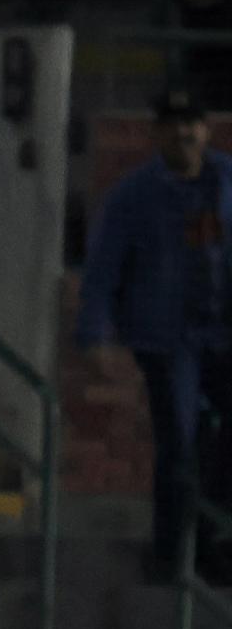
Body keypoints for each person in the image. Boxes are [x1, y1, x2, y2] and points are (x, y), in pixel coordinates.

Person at [76, 87, 232, 582]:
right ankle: (170, 552)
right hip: (166, 339)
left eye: (192, 123)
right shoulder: (134, 196)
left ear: (206, 130)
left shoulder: (227, 180)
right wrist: (93, 335)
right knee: (179, 443)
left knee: (222, 442)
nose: (184, 133)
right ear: (156, 132)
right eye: (173, 124)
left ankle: (213, 541)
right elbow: (102, 268)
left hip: (221, 332)